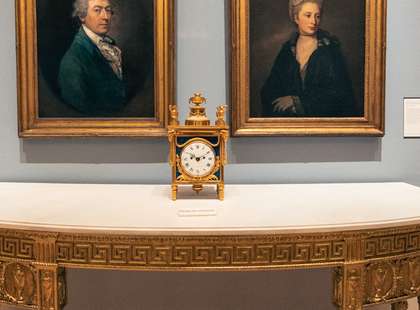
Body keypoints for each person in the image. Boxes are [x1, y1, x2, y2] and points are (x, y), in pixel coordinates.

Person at [260, 0, 355, 117]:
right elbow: (270, 89)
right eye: (308, 15)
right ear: (296, 18)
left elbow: (341, 94)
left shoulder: (330, 50)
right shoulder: (287, 50)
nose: (314, 21)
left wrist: (297, 102)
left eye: (317, 16)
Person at [58, 0, 126, 116]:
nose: (105, 17)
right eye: (97, 10)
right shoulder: (73, 60)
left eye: (108, 10)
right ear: (82, 15)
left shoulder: (110, 45)